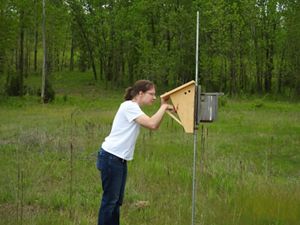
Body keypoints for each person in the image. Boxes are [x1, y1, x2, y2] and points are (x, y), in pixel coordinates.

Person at [96, 80, 173, 225]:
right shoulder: (129, 106)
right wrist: (164, 106)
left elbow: (154, 126)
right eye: (151, 94)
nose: (154, 97)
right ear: (140, 93)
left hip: (119, 160)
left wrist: (165, 108)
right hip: (111, 158)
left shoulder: (133, 108)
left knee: (116, 201)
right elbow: (151, 124)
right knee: (110, 201)